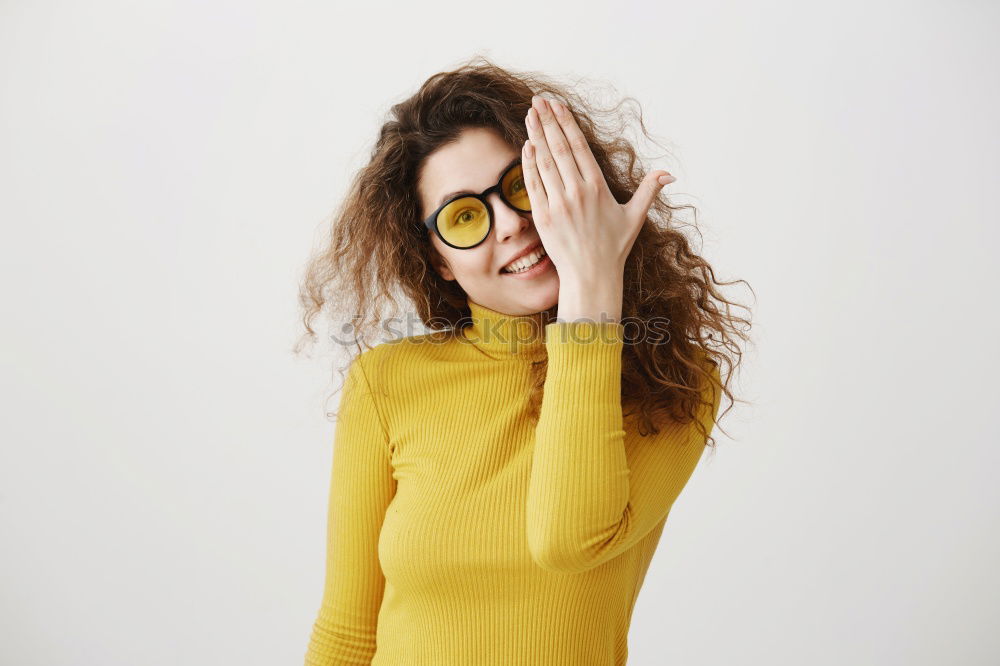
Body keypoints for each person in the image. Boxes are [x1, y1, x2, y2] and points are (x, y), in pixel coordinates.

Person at [297, 56, 752, 665]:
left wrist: (592, 289)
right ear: (437, 260)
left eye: (520, 187)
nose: (511, 224)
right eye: (464, 217)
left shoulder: (675, 380)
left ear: (571, 186)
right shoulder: (386, 382)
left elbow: (568, 540)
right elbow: (347, 632)